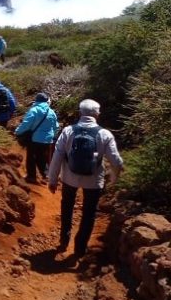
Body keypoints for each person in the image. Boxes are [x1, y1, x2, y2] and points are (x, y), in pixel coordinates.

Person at [48, 99, 124, 258]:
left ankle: (64, 239)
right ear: (97, 114)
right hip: (94, 181)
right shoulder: (104, 134)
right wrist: (113, 180)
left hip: (69, 178)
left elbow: (57, 156)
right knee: (89, 214)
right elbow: (116, 161)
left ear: (80, 112)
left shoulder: (68, 131)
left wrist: (52, 180)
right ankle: (80, 248)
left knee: (67, 207)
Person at [15, 92, 59, 184]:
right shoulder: (51, 112)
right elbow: (56, 127)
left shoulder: (34, 110)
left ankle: (31, 177)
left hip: (35, 139)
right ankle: (46, 175)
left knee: (31, 157)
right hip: (47, 140)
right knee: (42, 157)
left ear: (37, 100)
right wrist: (52, 136)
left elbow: (26, 124)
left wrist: (18, 132)